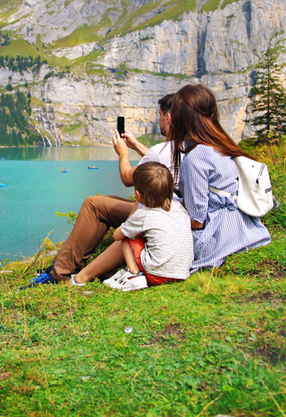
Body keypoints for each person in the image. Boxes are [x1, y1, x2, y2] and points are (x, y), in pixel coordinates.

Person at [27, 94, 176, 286]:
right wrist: (136, 145)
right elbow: (158, 159)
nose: (159, 120)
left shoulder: (164, 149)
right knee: (107, 200)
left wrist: (123, 153)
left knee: (94, 204)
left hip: (157, 214)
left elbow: (128, 178)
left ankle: (61, 273)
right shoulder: (182, 146)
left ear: (168, 117)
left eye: (160, 115)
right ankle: (68, 264)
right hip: (169, 210)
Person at [168, 84, 271, 271]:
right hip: (247, 229)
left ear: (180, 119)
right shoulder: (221, 146)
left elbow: (197, 220)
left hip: (218, 238)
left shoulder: (196, 158)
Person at [70, 162, 192, 290]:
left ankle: (134, 274)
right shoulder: (179, 208)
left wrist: (131, 219)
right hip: (182, 273)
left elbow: (117, 235)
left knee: (127, 236)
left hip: (157, 275)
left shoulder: (144, 214)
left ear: (138, 194)